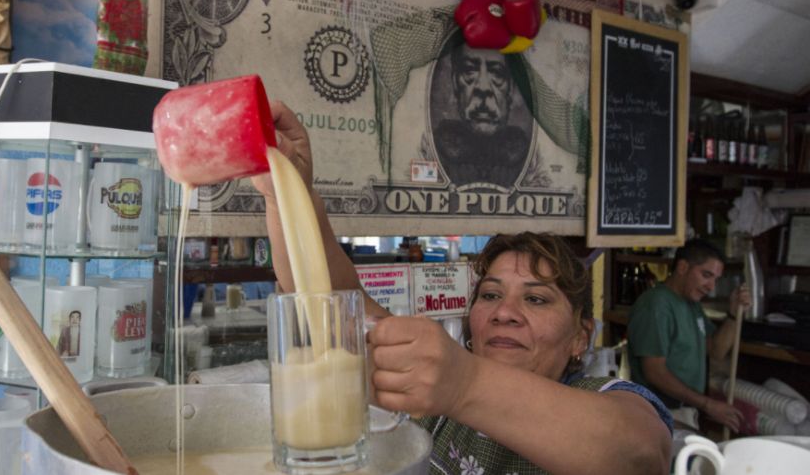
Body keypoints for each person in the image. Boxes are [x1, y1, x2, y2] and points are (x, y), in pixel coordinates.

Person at [253, 101, 673, 474]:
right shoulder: (435, 389)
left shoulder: (597, 395)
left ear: (581, 335)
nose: (504, 311)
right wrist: (288, 190)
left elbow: (641, 453)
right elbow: (328, 296)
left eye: (536, 298)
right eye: (490, 294)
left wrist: (465, 384)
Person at [627, 239, 751, 433]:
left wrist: (734, 314)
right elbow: (654, 372)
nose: (711, 286)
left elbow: (716, 350)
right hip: (659, 413)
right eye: (706, 275)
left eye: (716, 279)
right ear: (683, 267)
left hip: (683, 410)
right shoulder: (657, 305)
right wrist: (708, 405)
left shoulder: (692, 304)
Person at [432, 44, 533, 189]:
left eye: (497, 73)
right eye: (469, 70)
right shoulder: (438, 148)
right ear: (455, 83)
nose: (483, 87)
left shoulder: (523, 154)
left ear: (510, 88)